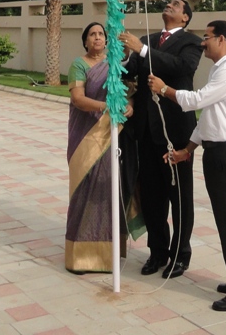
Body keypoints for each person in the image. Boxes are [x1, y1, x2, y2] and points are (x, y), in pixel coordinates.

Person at [148, 20, 226, 312]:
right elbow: (209, 117)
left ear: (221, 39)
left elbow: (196, 101)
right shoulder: (219, 70)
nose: (203, 43)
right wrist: (188, 149)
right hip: (216, 153)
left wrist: (164, 90)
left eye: (208, 37)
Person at [119, 0, 202, 278]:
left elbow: (182, 69)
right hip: (146, 132)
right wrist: (122, 55)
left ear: (185, 18)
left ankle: (180, 254)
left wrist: (142, 50)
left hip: (176, 133)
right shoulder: (147, 39)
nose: (170, 5)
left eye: (177, 4)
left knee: (179, 197)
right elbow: (130, 72)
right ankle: (157, 252)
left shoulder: (191, 43)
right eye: (169, 2)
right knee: (153, 197)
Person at [65, 21, 143, 273]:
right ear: (85, 41)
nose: (98, 37)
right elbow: (77, 98)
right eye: (92, 34)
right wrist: (104, 107)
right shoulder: (79, 65)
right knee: (83, 192)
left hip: (111, 138)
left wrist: (129, 104)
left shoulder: (114, 66)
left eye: (101, 34)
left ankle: (108, 254)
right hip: (85, 138)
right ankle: (80, 257)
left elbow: (128, 91)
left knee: (107, 192)